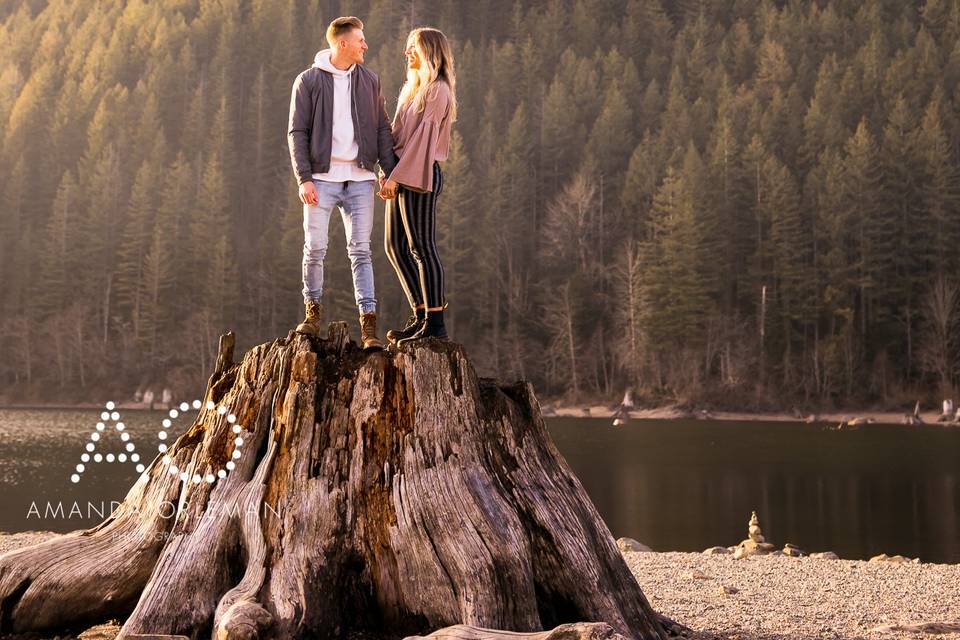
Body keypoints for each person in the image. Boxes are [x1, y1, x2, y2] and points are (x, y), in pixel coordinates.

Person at [287, 16, 396, 349]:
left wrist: (389, 172)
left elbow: (381, 128)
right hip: (321, 180)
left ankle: (368, 330)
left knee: (361, 251)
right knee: (315, 249)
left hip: (361, 180)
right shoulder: (307, 81)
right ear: (342, 43)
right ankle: (312, 316)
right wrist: (304, 178)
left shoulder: (370, 81)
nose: (365, 45)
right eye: (360, 39)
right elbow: (297, 132)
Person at [379, 27, 457, 345]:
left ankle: (435, 324)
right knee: (395, 246)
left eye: (412, 47)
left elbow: (422, 142)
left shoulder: (438, 90)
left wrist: (397, 177)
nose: (406, 52)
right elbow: (398, 137)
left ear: (428, 51)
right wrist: (386, 172)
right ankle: (420, 313)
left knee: (422, 248)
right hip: (401, 174)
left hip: (420, 175)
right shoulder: (413, 89)